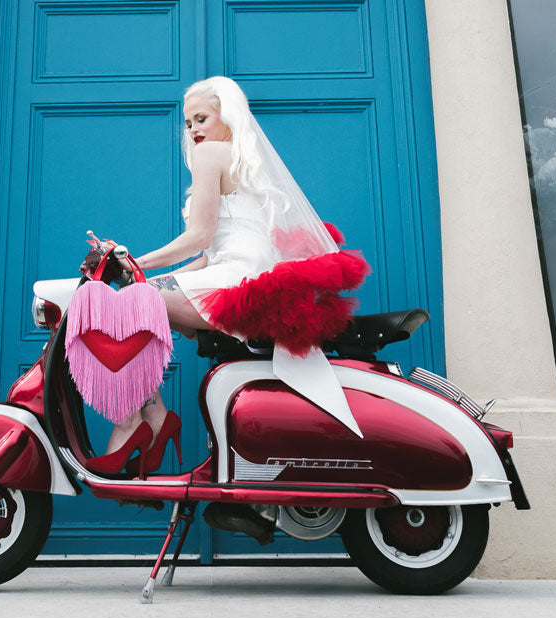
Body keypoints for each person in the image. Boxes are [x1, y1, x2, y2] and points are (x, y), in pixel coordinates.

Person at [86, 76, 365, 477]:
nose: (194, 129)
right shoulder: (242, 161)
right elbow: (212, 252)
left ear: (226, 116)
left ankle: (143, 418)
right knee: (137, 298)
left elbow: (198, 236)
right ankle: (150, 416)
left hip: (236, 282)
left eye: (202, 118)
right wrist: (144, 276)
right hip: (239, 274)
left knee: (127, 305)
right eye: (188, 123)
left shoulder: (211, 155)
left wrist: (136, 263)